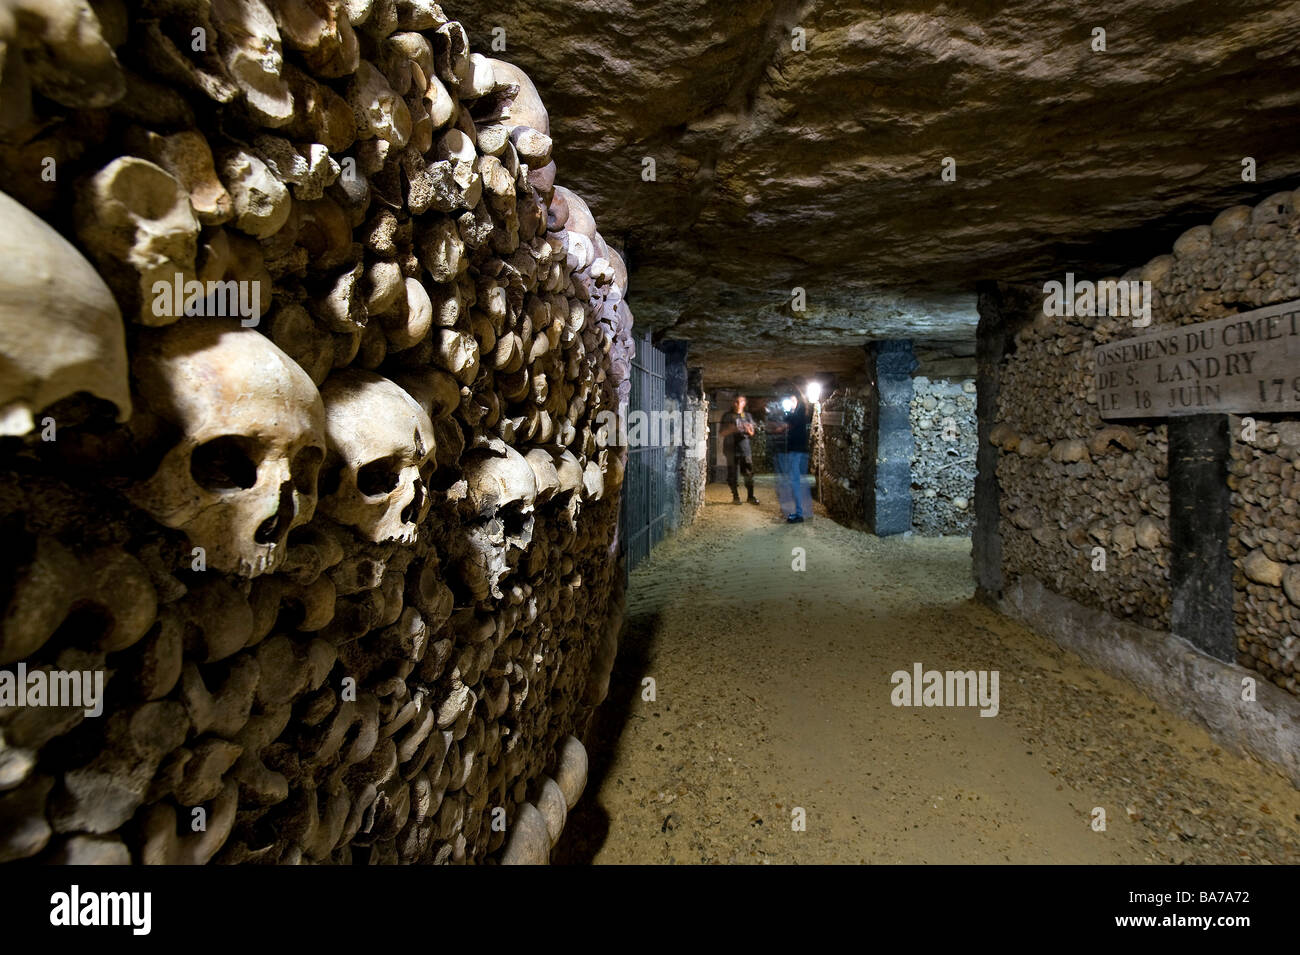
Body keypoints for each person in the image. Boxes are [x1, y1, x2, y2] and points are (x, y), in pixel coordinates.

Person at [768, 385, 813, 523]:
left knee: (795, 482)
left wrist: (770, 427)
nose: (791, 403)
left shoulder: (797, 415)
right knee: (798, 481)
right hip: (799, 451)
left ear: (798, 401)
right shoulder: (799, 414)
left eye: (793, 401)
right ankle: (803, 511)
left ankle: (799, 514)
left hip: (796, 452)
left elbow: (780, 428)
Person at [719, 394, 759, 505]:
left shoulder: (747, 416)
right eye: (735, 402)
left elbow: (752, 433)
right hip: (730, 448)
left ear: (744, 403)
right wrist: (733, 429)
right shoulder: (727, 416)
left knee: (748, 472)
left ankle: (750, 496)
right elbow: (722, 433)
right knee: (732, 473)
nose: (737, 404)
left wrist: (747, 429)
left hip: (744, 448)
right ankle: (735, 497)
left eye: (740, 402)